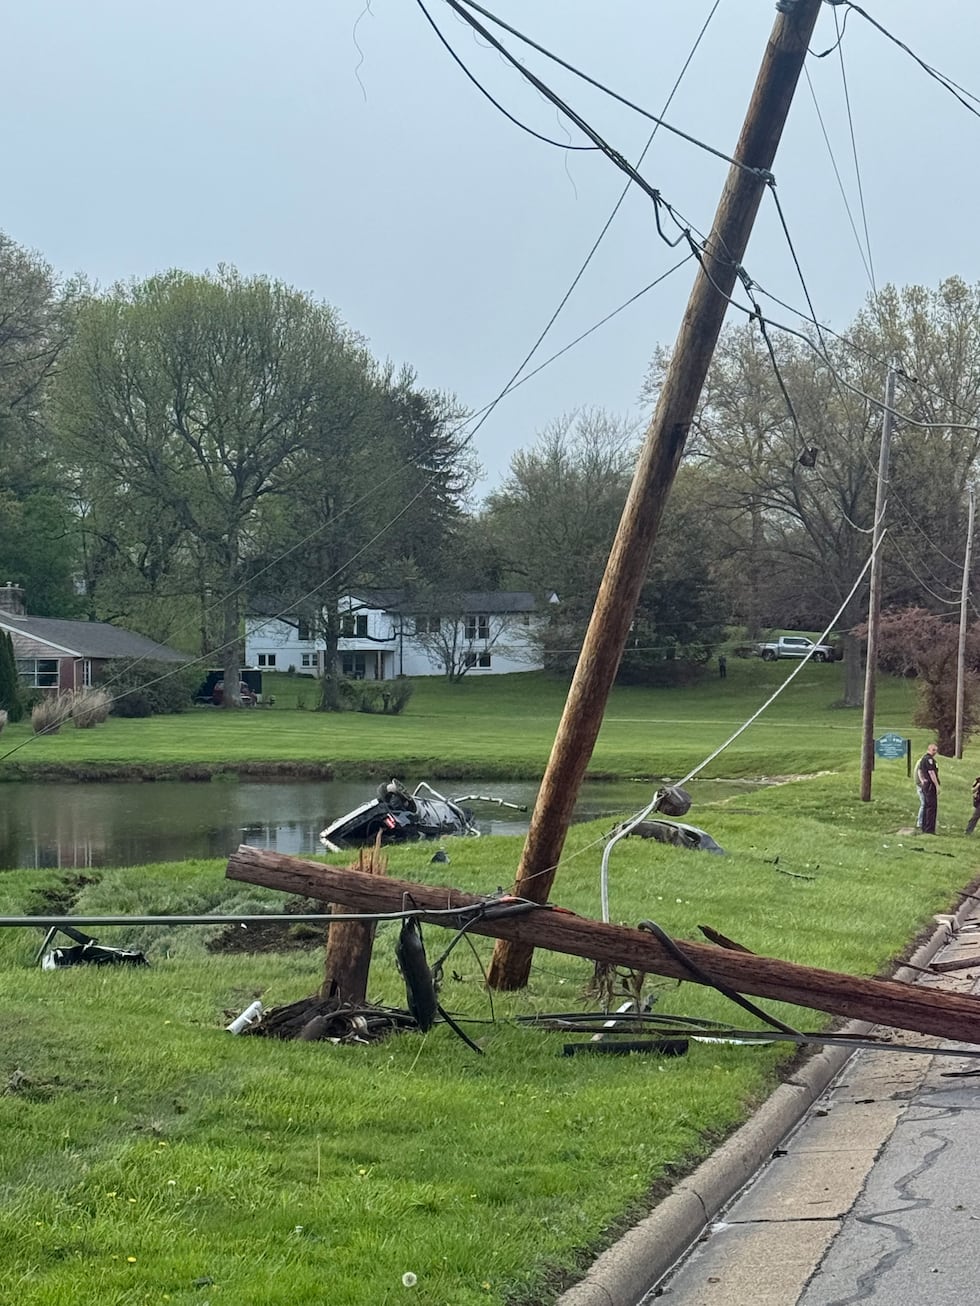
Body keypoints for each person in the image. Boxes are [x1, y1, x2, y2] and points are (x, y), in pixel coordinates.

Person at [916, 742, 940, 834]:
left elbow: (919, 770)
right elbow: (931, 773)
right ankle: (929, 829)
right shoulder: (929, 760)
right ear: (929, 749)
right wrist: (937, 785)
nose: (935, 752)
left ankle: (924, 827)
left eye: (936, 750)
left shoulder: (923, 759)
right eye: (933, 750)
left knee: (926, 805)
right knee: (931, 807)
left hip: (926, 785)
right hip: (930, 786)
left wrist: (922, 780)